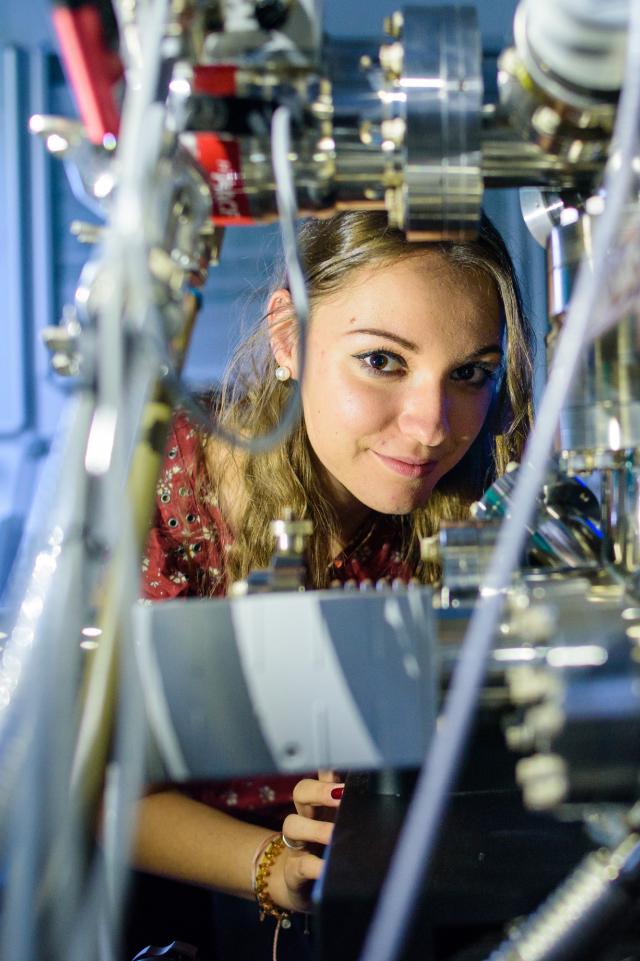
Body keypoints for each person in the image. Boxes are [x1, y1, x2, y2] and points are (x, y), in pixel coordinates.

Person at [130, 210, 533, 952]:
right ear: (289, 337)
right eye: (382, 360)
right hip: (181, 906)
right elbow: (90, 786)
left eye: (469, 372)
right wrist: (276, 864)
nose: (430, 425)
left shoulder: (486, 486)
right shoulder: (162, 488)